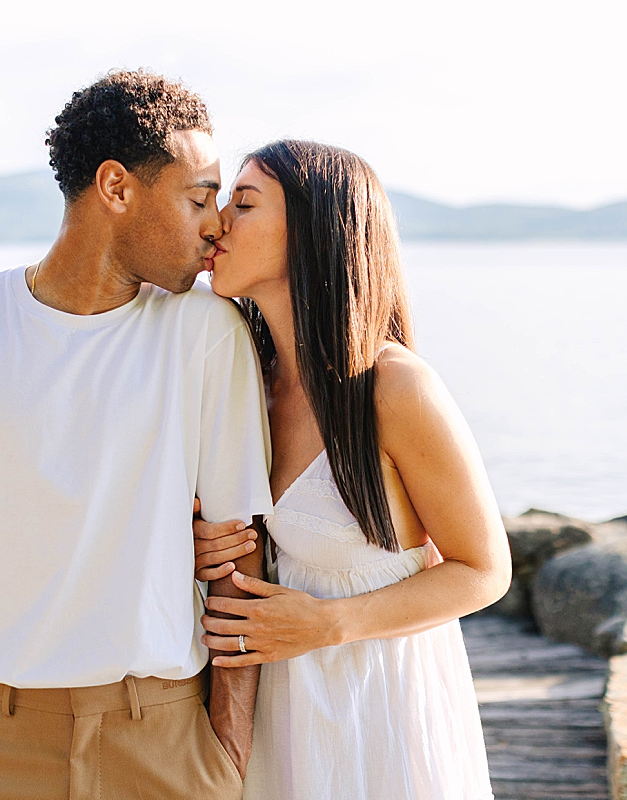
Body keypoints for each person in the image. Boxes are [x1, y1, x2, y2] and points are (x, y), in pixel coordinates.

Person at [0, 71, 273, 799]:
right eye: (197, 197)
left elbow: (239, 554)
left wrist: (227, 755)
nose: (215, 224)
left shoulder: (208, 333)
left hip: (166, 745)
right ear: (116, 188)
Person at [192, 140, 511, 800]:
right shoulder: (247, 376)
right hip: (279, 719)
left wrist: (327, 625)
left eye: (243, 204)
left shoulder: (393, 388)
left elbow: (484, 569)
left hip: (379, 717)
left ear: (313, 232)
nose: (218, 221)